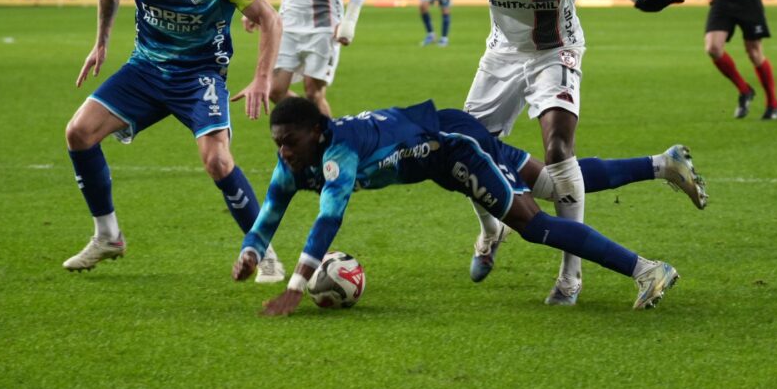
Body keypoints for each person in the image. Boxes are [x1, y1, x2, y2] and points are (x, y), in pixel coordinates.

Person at [347, 0, 683, 305]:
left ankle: (570, 276)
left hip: (555, 51)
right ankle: (491, 231)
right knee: (464, 150)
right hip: (501, 55)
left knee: (559, 151)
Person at [233, 98, 700, 316]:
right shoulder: (293, 163)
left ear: (316, 132)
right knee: (554, 183)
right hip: (441, 144)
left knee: (534, 224)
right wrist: (252, 251)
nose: (283, 152)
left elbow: (329, 217)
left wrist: (296, 285)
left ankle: (647, 270)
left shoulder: (339, 153)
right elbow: (270, 212)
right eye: (278, 144)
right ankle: (664, 164)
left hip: (455, 147)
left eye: (290, 142)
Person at [62, 0, 287, 283]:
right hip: (146, 68)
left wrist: (262, 78)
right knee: (78, 133)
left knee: (218, 161)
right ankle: (108, 236)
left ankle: (265, 253)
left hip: (200, 76)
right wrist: (101, 43)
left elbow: (269, 18)